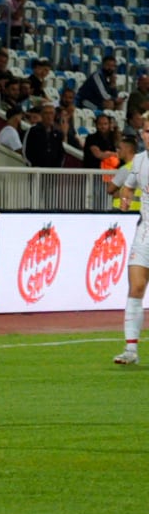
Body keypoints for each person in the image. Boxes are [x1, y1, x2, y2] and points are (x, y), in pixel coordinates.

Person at [113, 116, 149, 364]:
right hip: (145, 233)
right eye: (146, 131)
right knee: (136, 288)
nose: (148, 135)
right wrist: (126, 198)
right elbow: (128, 187)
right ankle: (130, 350)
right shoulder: (139, 160)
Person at [22, 102, 65, 167]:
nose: (49, 116)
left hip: (52, 173)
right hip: (36, 171)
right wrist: (32, 166)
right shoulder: (33, 130)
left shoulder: (58, 133)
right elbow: (26, 151)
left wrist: (57, 169)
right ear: (41, 115)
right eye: (46, 113)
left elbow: (61, 153)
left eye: (51, 113)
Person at [107, 135, 140, 211]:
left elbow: (109, 189)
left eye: (120, 148)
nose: (117, 151)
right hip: (139, 211)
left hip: (122, 210)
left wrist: (119, 192)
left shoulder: (126, 169)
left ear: (128, 149)